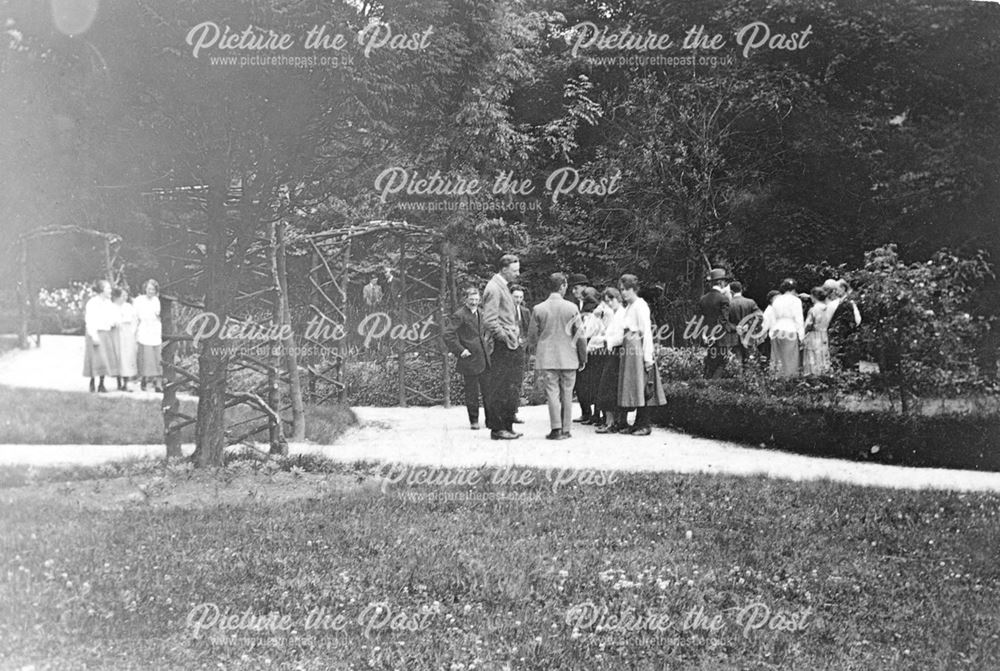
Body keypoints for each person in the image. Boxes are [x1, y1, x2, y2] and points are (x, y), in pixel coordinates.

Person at [527, 273, 587, 440]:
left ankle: (556, 429)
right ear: (562, 286)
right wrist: (583, 357)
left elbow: (532, 337)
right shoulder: (572, 308)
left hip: (547, 357)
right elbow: (580, 336)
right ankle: (566, 429)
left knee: (552, 393)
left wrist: (537, 349)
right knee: (567, 393)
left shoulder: (538, 308)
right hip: (569, 357)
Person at [481, 254, 525, 440]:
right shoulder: (494, 288)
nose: (518, 274)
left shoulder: (502, 287)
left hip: (510, 343)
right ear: (504, 269)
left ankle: (506, 425)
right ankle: (498, 428)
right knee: (499, 386)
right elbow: (490, 321)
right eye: (515, 271)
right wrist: (505, 337)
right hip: (502, 345)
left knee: (510, 386)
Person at [616, 274, 666, 435]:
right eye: (621, 290)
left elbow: (646, 333)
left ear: (634, 289)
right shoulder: (630, 306)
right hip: (629, 348)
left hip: (637, 349)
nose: (623, 293)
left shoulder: (640, 305)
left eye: (626, 289)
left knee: (642, 385)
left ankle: (645, 425)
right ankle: (637, 423)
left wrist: (647, 358)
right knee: (634, 386)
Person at [443, 286, 490, 430]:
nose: (474, 302)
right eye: (471, 299)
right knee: (472, 392)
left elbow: (483, 333)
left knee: (488, 390)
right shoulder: (460, 315)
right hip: (469, 360)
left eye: (476, 299)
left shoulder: (481, 313)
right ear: (465, 299)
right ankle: (474, 421)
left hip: (483, 357)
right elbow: (448, 334)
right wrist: (460, 350)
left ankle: (491, 420)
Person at [592, 287, 627, 433]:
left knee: (609, 386)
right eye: (607, 301)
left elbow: (622, 336)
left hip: (617, 353)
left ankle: (612, 422)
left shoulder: (623, 314)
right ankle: (612, 421)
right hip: (612, 352)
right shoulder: (615, 314)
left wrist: (607, 340)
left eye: (610, 300)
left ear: (617, 298)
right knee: (609, 387)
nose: (609, 304)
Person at [573, 286, 604, 425]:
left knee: (590, 382)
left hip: (592, 348)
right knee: (590, 383)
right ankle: (591, 414)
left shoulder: (595, 312)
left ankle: (593, 414)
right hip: (592, 349)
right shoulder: (594, 310)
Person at [698, 268, 735, 379]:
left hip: (707, 335)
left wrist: (704, 335)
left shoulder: (703, 299)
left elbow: (701, 319)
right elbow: (724, 320)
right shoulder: (723, 299)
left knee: (711, 361)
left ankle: (706, 384)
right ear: (720, 282)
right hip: (720, 337)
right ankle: (713, 386)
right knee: (722, 362)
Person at [82, 279, 117, 393]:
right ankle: (92, 382)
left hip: (106, 333)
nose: (110, 290)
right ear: (101, 290)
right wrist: (94, 336)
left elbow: (112, 318)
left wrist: (113, 322)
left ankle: (102, 384)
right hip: (95, 333)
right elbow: (90, 320)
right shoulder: (92, 303)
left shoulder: (109, 303)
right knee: (94, 358)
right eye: (108, 288)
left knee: (104, 359)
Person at [768, 278, 805, 377]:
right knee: (790, 358)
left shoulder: (777, 300)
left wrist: (771, 333)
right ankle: (789, 381)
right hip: (790, 330)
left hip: (777, 330)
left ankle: (776, 379)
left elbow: (773, 317)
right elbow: (799, 319)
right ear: (794, 289)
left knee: (777, 357)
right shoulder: (796, 301)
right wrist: (801, 336)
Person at [134, 279, 163, 392]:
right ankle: (144, 380)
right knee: (146, 356)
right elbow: (135, 317)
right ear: (145, 288)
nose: (151, 291)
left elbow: (158, 315)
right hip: (144, 330)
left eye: (153, 289)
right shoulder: (139, 300)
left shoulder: (156, 300)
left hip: (155, 330)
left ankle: (157, 383)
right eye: (149, 288)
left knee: (157, 357)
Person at [827, 278, 863, 370]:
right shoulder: (840, 302)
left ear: (843, 288)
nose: (835, 292)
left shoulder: (849, 302)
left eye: (837, 289)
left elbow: (856, 320)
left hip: (846, 338)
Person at [510, 284, 531, 424]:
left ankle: (514, 412)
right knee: (508, 382)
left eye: (521, 297)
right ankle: (508, 412)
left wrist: (526, 343)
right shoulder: (505, 311)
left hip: (522, 351)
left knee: (518, 381)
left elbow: (529, 330)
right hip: (508, 350)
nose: (518, 299)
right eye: (516, 297)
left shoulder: (525, 311)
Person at [728, 281, 762, 367]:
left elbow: (724, 321)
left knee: (737, 362)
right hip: (748, 336)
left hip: (733, 337)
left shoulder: (728, 304)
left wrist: (735, 327)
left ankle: (738, 379)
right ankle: (750, 379)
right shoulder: (750, 302)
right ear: (741, 290)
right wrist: (749, 325)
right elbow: (760, 317)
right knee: (750, 360)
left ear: (731, 292)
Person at [803, 286, 833, 375]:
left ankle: (813, 375)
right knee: (823, 354)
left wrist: (803, 333)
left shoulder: (813, 309)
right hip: (823, 334)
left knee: (813, 355)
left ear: (814, 296)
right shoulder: (828, 308)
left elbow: (808, 324)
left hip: (814, 335)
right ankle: (824, 373)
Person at [112, 287, 138, 391]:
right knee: (118, 357)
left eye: (126, 296)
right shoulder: (114, 307)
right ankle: (118, 382)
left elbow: (135, 320)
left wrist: (132, 332)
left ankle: (125, 383)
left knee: (127, 358)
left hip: (128, 334)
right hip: (117, 333)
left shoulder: (129, 307)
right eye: (122, 296)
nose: (124, 298)